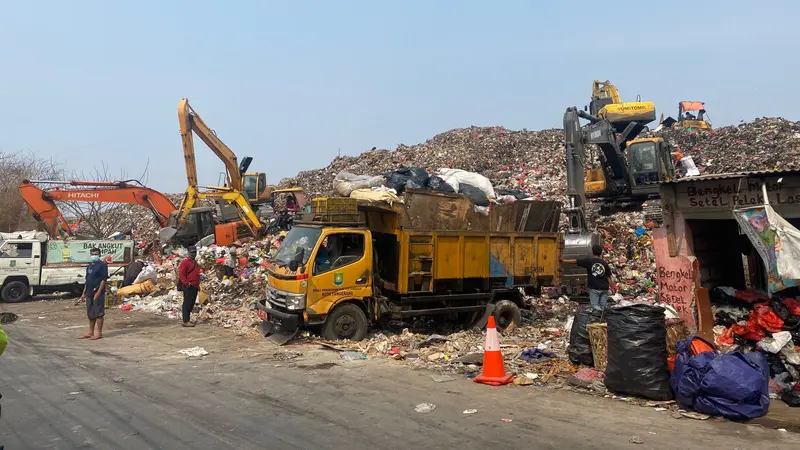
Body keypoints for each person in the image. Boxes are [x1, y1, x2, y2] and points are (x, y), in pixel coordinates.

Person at [562, 244, 616, 311]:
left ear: (592, 252)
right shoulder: (604, 263)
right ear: (601, 252)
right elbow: (609, 277)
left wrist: (563, 260)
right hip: (604, 288)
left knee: (595, 306)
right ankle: (604, 319)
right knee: (603, 306)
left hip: (594, 288)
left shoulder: (589, 261)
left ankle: (598, 319)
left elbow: (575, 261)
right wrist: (612, 288)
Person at [79, 248, 108, 340]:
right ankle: (90, 332)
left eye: (95, 254)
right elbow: (87, 280)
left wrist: (99, 292)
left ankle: (99, 333)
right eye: (92, 254)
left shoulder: (102, 265)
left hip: (97, 292)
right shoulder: (89, 266)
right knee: (90, 313)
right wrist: (83, 293)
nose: (93, 256)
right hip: (89, 292)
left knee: (99, 313)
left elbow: (104, 280)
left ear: (99, 255)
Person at [178, 247, 201, 327]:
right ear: (188, 253)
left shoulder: (194, 262)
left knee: (191, 303)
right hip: (188, 286)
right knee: (187, 303)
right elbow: (181, 274)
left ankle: (187, 319)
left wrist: (198, 285)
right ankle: (185, 321)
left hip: (194, 286)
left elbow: (197, 274)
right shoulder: (185, 262)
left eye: (194, 252)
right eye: (192, 252)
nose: (193, 254)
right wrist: (186, 283)